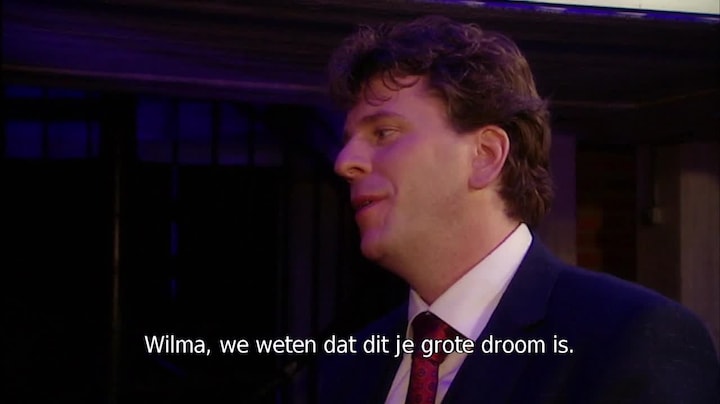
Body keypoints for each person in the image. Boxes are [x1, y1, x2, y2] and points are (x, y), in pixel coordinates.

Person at [317, 14, 720, 404]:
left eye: (383, 133)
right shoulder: (352, 364)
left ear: (486, 155)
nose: (345, 162)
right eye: (349, 140)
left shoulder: (631, 338)